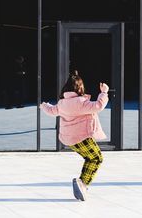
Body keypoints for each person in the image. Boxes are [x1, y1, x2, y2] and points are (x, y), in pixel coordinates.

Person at [40, 71, 109, 201]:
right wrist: (104, 92)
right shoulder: (81, 102)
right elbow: (98, 106)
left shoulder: (62, 103)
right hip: (82, 137)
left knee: (91, 159)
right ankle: (82, 183)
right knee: (96, 158)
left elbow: (51, 110)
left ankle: (82, 184)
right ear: (79, 88)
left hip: (70, 140)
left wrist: (44, 105)